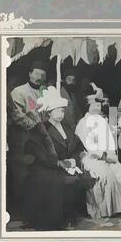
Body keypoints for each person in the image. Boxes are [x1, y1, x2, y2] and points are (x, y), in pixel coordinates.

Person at [20, 87, 92, 230]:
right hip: (47, 167)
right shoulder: (41, 129)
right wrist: (61, 163)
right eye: (58, 110)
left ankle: (70, 215)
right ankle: (57, 220)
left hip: (67, 165)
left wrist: (73, 160)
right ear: (49, 113)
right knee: (56, 182)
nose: (61, 113)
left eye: (63, 110)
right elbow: (40, 154)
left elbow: (78, 148)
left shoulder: (68, 128)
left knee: (81, 178)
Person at [75, 98, 121, 218]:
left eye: (99, 105)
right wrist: (104, 157)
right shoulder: (83, 123)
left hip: (106, 156)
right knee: (106, 175)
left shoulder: (102, 121)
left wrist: (110, 155)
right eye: (94, 105)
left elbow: (109, 141)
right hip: (91, 157)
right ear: (88, 106)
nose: (97, 107)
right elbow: (88, 146)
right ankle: (104, 210)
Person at [8, 60, 49, 209]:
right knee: (23, 171)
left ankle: (37, 206)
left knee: (40, 170)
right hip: (24, 137)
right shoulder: (19, 92)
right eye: (36, 73)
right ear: (30, 74)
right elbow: (17, 114)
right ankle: (21, 208)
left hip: (43, 137)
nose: (39, 77)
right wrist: (35, 127)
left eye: (42, 74)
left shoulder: (46, 91)